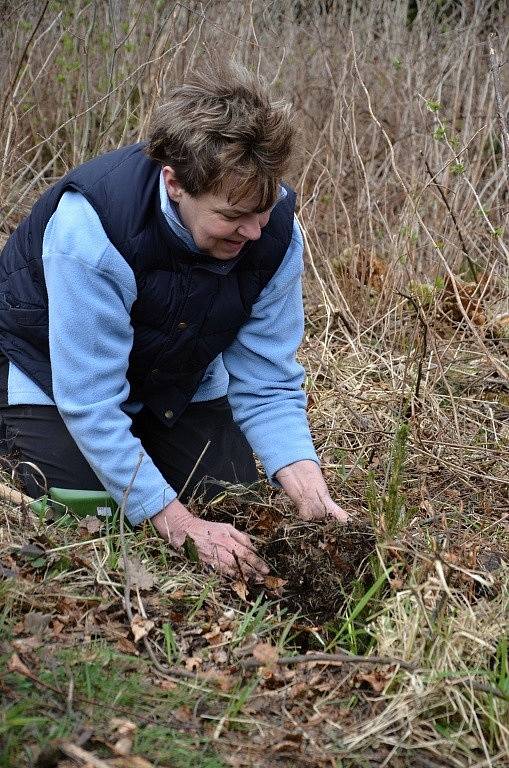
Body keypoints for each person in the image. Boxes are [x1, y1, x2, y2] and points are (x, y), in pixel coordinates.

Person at [0, 60, 348, 579]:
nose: (254, 232)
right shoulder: (91, 231)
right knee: (88, 511)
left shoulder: (274, 233)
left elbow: (268, 381)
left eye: (263, 209)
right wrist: (179, 525)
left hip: (175, 378)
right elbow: (90, 400)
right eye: (232, 216)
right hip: (52, 376)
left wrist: (309, 491)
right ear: (176, 183)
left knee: (228, 500)